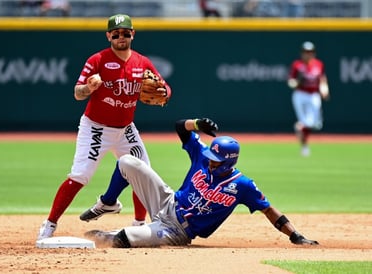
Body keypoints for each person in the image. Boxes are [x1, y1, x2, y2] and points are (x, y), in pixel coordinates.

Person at [82, 118, 319, 248]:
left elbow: (268, 209)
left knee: (125, 238)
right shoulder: (202, 156)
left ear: (228, 162)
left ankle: (108, 236)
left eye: (216, 160)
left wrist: (295, 236)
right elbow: (179, 127)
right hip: (167, 201)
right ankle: (108, 202)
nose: (210, 161)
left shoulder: (242, 185)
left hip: (177, 231)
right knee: (127, 161)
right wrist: (196, 124)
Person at [37, 14, 172, 240]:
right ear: (108, 35)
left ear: (133, 34)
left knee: (143, 173)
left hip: (126, 129)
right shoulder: (97, 60)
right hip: (96, 127)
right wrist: (88, 88)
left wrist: (164, 93)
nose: (121, 37)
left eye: (125, 33)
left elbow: (165, 88)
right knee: (80, 175)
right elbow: (77, 93)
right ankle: (49, 224)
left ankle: (139, 223)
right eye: (116, 33)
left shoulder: (142, 62)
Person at [287, 41, 330, 156]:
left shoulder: (318, 64)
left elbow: (322, 79)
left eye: (310, 52)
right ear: (302, 53)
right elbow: (291, 81)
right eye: (306, 52)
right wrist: (296, 82)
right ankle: (304, 146)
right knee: (305, 122)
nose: (308, 54)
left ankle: (300, 127)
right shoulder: (297, 65)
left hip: (313, 95)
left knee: (315, 123)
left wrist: (325, 90)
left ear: (314, 53)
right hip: (300, 94)